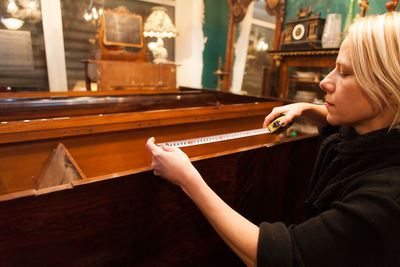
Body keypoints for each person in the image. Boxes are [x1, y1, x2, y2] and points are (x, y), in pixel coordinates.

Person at [146, 12, 400, 267]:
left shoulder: (385, 198)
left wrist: (188, 179)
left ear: (388, 90)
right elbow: (347, 131)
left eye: (343, 73)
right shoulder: (376, 135)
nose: (324, 82)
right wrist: (307, 109)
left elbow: (282, 256)